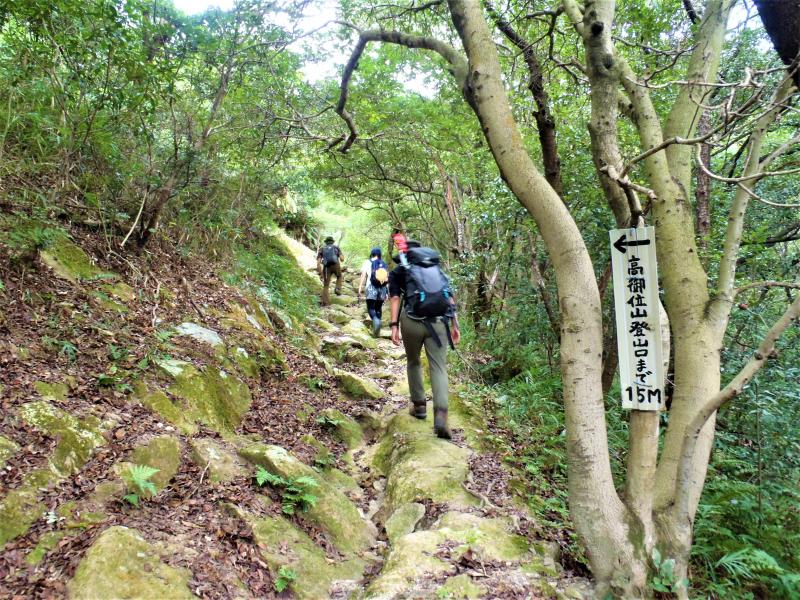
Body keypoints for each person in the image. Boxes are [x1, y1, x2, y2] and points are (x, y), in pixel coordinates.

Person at [388, 239, 461, 439]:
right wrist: (455, 325)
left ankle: (419, 406)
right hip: (439, 323)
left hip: (411, 322)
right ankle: (441, 416)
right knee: (439, 367)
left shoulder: (398, 272)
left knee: (413, 362)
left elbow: (395, 298)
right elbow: (449, 297)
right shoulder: (435, 269)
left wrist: (393, 325)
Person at [357, 247, 390, 336]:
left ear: (372, 254)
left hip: (371, 286)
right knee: (378, 308)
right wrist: (387, 292)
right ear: (379, 254)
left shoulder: (367, 262)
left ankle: (375, 320)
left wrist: (360, 287)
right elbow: (386, 278)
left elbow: (363, 275)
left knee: (371, 308)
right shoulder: (383, 263)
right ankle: (377, 331)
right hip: (382, 288)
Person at [316, 236, 344, 306]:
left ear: (326, 242)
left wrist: (319, 269)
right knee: (339, 276)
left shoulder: (322, 248)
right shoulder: (336, 247)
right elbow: (342, 259)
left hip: (326, 267)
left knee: (326, 285)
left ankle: (325, 303)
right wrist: (341, 256)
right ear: (332, 242)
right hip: (336, 265)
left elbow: (318, 261)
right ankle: (337, 289)